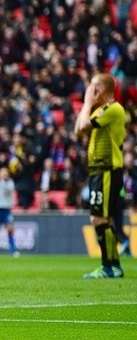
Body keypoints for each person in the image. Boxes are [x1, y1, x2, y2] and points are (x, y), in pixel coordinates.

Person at [74, 72, 125, 279]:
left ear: (100, 91)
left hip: (108, 169)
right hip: (98, 170)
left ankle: (108, 266)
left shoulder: (114, 109)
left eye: (92, 88)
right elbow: (78, 131)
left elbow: (84, 126)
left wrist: (87, 103)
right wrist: (88, 105)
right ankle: (113, 266)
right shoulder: (101, 110)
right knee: (102, 219)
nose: (89, 92)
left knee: (99, 218)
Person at [0, 167, 19, 257]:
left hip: (7, 209)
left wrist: (2, 181)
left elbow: (9, 190)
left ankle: (13, 250)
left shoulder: (10, 183)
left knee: (10, 228)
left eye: (6, 172)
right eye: (3, 172)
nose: (5, 174)